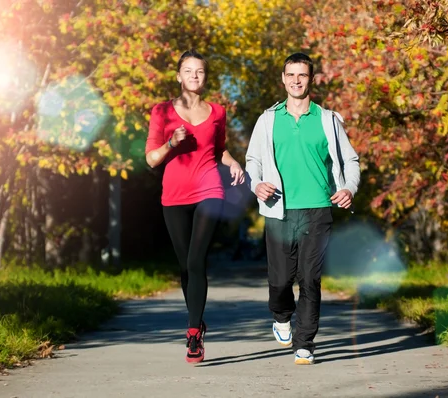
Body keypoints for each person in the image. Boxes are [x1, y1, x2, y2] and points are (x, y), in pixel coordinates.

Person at [245, 52, 360, 365]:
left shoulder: (327, 120)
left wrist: (349, 188)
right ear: (283, 79)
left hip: (317, 209)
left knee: (310, 279)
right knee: (280, 280)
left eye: (303, 75)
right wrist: (255, 184)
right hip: (277, 210)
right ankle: (282, 316)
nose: (296, 81)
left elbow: (351, 159)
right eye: (291, 75)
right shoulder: (268, 120)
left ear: (311, 79)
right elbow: (252, 161)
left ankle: (305, 343)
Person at [145, 49, 245, 364]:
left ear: (205, 76)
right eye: (188, 71)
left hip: (209, 190)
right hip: (173, 196)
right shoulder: (161, 111)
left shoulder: (217, 111)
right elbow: (150, 159)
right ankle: (197, 319)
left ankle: (192, 335)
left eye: (199, 71)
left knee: (197, 259)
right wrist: (171, 143)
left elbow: (218, 151)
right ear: (178, 76)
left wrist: (233, 163)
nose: (194, 76)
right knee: (186, 266)